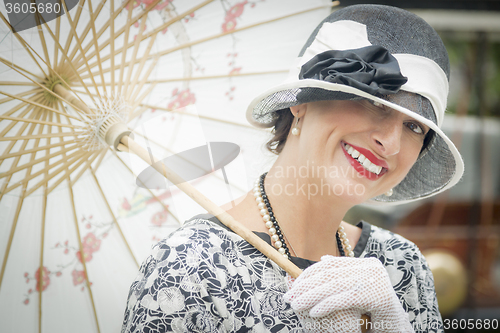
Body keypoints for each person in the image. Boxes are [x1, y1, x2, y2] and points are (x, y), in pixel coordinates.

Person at [121, 4, 463, 333]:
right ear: (301, 102)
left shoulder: (403, 267)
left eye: (414, 126)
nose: (391, 142)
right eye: (374, 102)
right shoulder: (189, 269)